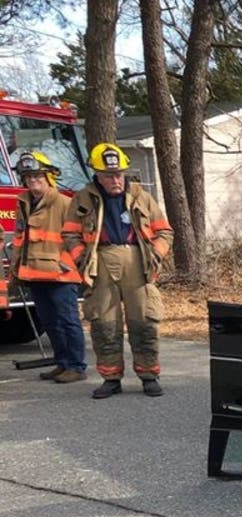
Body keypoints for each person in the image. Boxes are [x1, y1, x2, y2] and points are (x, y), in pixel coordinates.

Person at [65, 142, 173, 399]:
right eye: (108, 175)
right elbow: (70, 233)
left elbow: (165, 231)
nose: (115, 179)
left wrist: (155, 254)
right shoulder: (83, 198)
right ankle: (111, 378)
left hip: (137, 261)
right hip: (101, 261)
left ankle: (149, 375)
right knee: (104, 324)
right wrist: (82, 260)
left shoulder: (141, 196)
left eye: (118, 174)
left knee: (144, 321)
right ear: (97, 175)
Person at [9, 151, 87, 383]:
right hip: (34, 274)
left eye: (37, 176)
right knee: (49, 321)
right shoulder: (24, 202)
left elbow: (80, 237)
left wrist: (72, 265)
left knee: (68, 320)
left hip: (61, 275)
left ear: (48, 177)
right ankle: (62, 363)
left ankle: (76, 366)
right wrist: (15, 270)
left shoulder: (64, 203)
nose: (33, 181)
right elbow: (20, 239)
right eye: (28, 177)